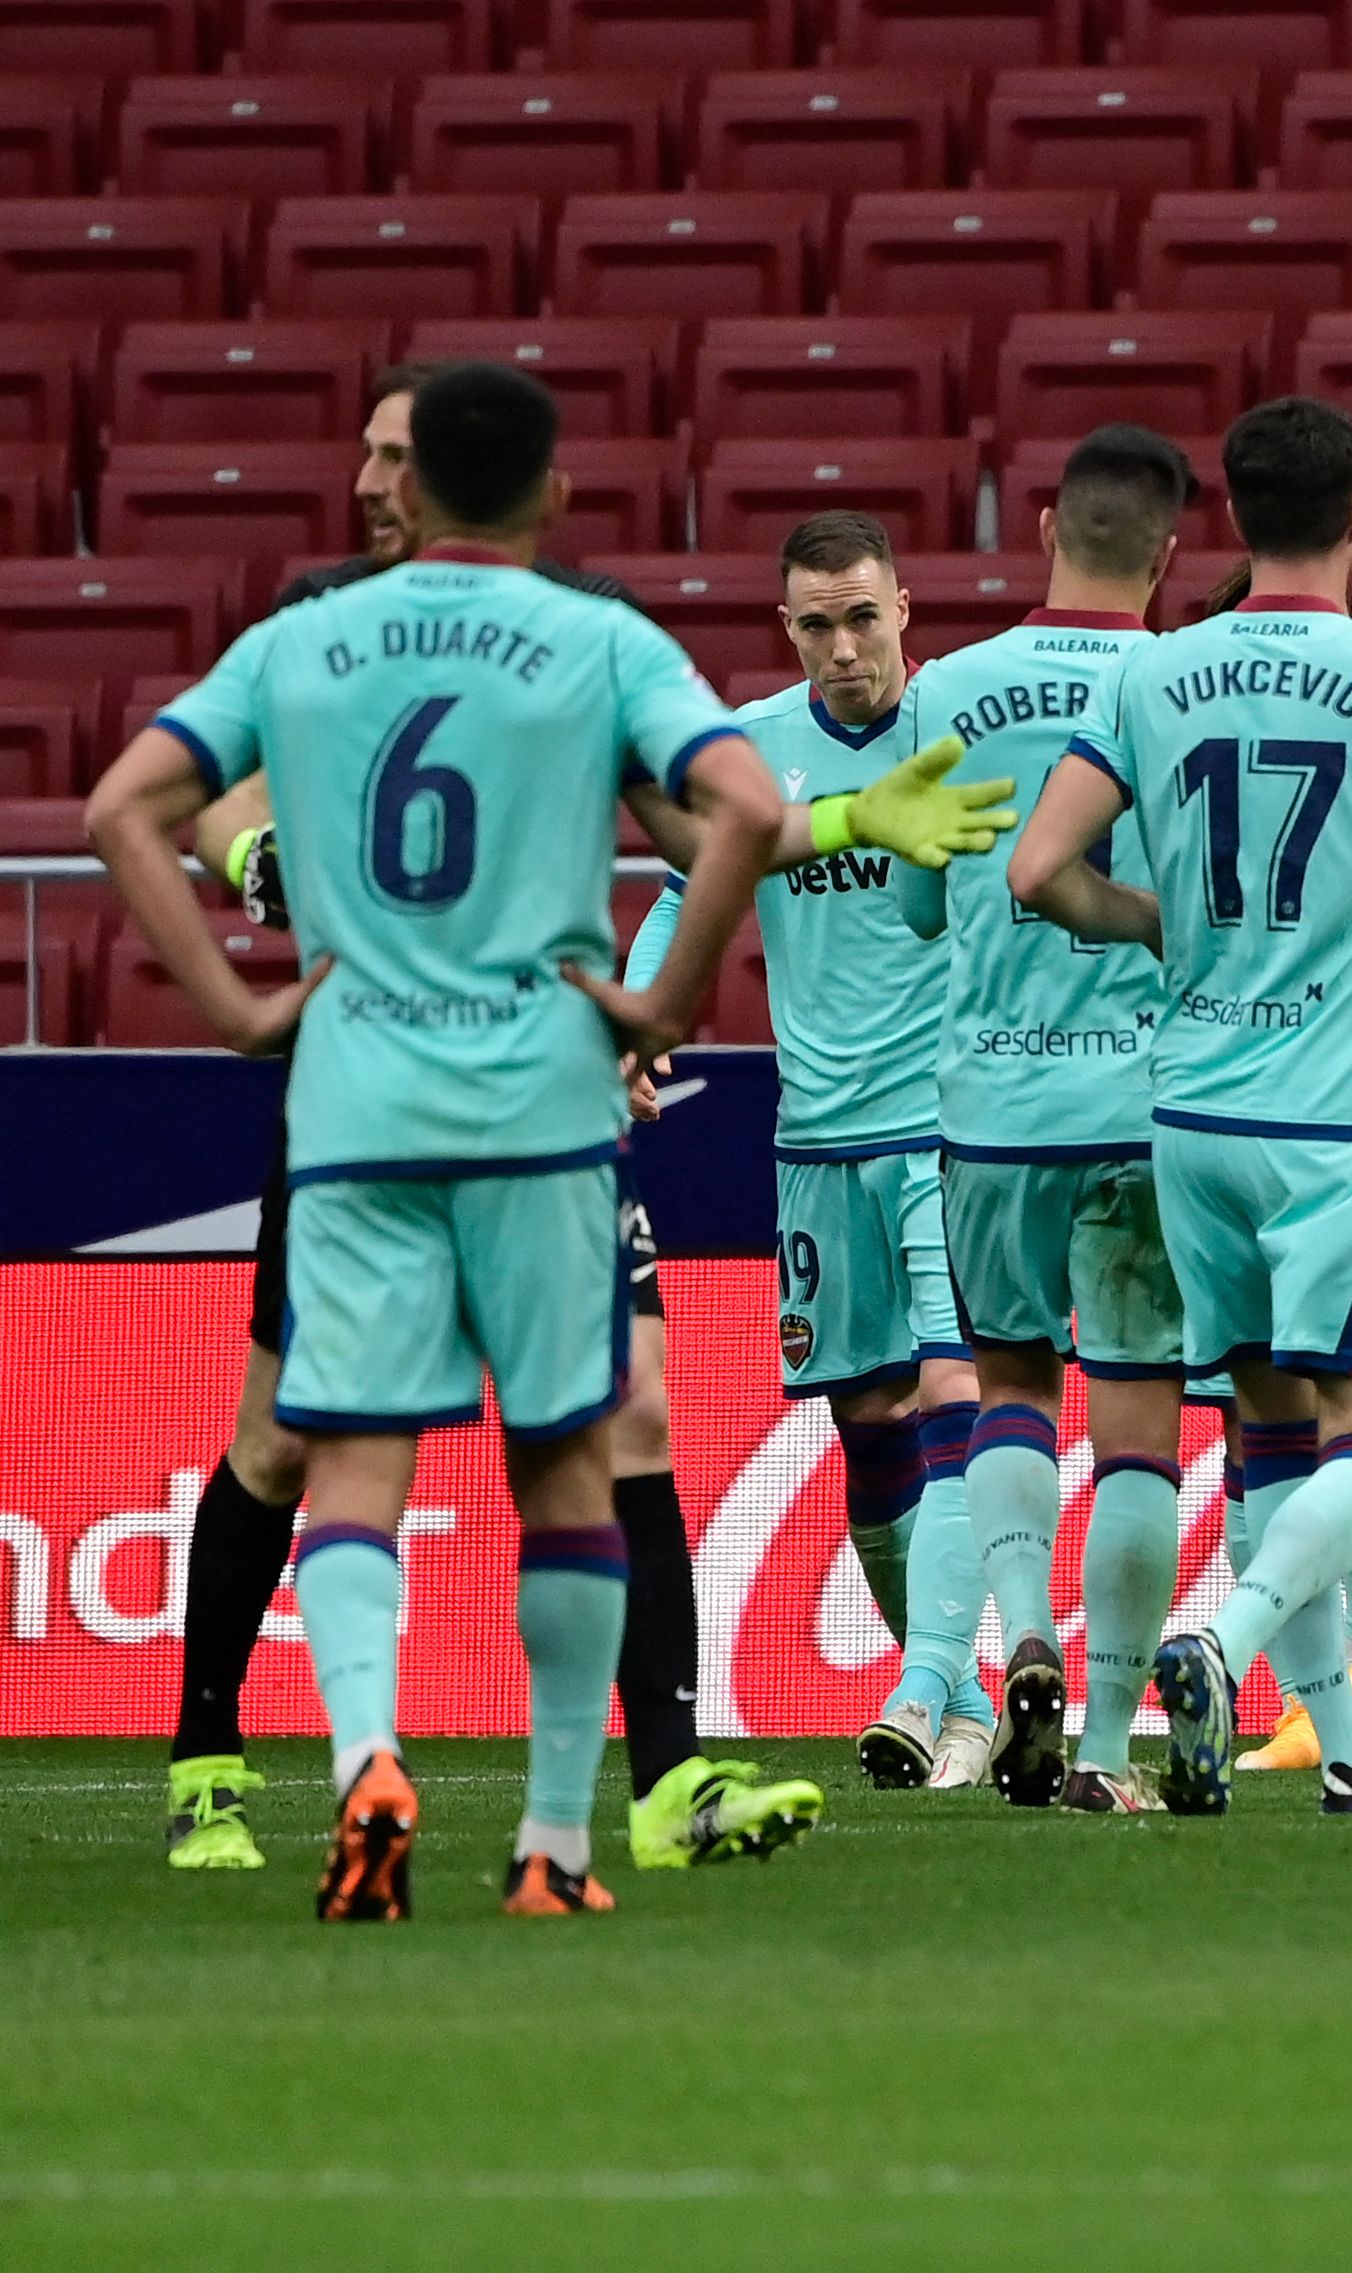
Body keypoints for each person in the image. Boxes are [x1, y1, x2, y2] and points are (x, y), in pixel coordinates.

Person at [83, 362, 788, 1917]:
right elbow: (749, 810)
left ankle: (363, 1765)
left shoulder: (302, 640)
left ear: (405, 486)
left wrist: (239, 1012)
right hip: (540, 1106)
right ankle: (553, 1843)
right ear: (549, 493)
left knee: (345, 1462)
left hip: (354, 1106)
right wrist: (657, 1003)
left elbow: (124, 808)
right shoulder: (600, 640)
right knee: (570, 1469)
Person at [1011, 395, 1352, 1816]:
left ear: (1228, 521)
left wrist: (1158, 922)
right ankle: (1219, 1642)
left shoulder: (1152, 675)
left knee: (1265, 1426)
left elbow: (1037, 869)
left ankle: (1350, 1765)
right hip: (1346, 1116)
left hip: (1193, 1115)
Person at [624, 513, 997, 1792]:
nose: (844, 647)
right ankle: (960, 1696)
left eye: (863, 616)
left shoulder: (961, 727)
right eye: (816, 624)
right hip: (818, 1141)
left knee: (956, 1392)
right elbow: (685, 888)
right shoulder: (756, 750)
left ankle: (919, 1689)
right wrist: (640, 1014)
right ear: (787, 629)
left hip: (952, 1129)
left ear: (907, 608)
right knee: (869, 1425)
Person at [889, 427, 1197, 1813]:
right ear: (1170, 552)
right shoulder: (1188, 682)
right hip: (1148, 1100)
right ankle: (1108, 1745)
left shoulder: (946, 686)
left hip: (992, 1104)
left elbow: (914, 904)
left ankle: (1018, 1641)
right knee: (1140, 1430)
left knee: (1010, 1389)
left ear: (1043, 530)